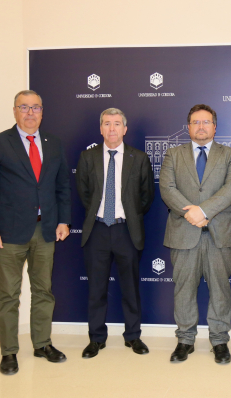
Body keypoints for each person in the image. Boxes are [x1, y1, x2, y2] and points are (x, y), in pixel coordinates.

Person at [0, 90, 71, 375]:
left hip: (46, 230)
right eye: (24, 107)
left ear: (43, 111)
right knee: (8, 295)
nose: (30, 113)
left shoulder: (54, 144)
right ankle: (9, 352)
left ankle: (42, 344)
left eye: (36, 108)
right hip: (9, 232)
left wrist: (64, 220)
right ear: (15, 111)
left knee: (44, 291)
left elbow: (62, 186)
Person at [159, 104, 231, 364]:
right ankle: (185, 339)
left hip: (220, 232)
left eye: (206, 122)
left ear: (215, 127)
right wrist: (191, 214)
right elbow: (167, 188)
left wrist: (203, 211)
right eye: (196, 122)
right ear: (189, 127)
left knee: (220, 288)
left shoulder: (230, 154)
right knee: (183, 288)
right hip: (184, 231)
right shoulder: (173, 154)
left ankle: (219, 341)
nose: (201, 127)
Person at [76, 108, 155, 358]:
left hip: (126, 230)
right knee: (96, 289)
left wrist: (127, 215)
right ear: (100, 129)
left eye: (117, 124)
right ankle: (96, 338)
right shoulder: (87, 157)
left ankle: (133, 337)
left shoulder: (139, 158)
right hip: (97, 229)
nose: (112, 128)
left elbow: (146, 198)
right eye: (107, 124)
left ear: (125, 129)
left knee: (130, 288)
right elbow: (85, 195)